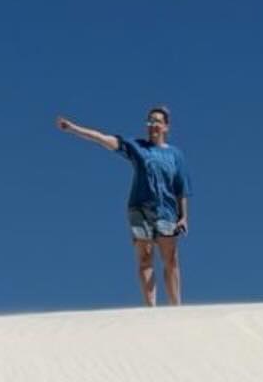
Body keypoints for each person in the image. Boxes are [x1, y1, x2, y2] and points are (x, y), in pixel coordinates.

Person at [56, 107, 191, 306]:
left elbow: (181, 188)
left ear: (166, 126)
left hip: (166, 211)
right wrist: (73, 128)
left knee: (170, 259)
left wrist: (184, 216)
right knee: (144, 258)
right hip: (139, 208)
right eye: (150, 121)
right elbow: (103, 139)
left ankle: (175, 306)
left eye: (157, 121)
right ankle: (150, 308)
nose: (153, 124)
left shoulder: (175, 155)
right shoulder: (136, 146)